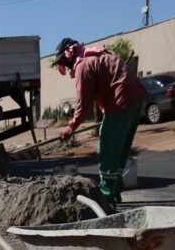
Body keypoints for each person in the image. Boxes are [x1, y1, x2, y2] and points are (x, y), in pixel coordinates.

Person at [52, 37, 147, 210]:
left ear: (68, 56)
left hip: (121, 101)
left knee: (107, 146)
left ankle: (107, 195)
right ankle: (116, 189)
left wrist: (70, 128)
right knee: (120, 148)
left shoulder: (83, 65)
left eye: (63, 63)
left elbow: (83, 104)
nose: (65, 67)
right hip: (136, 98)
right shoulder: (97, 54)